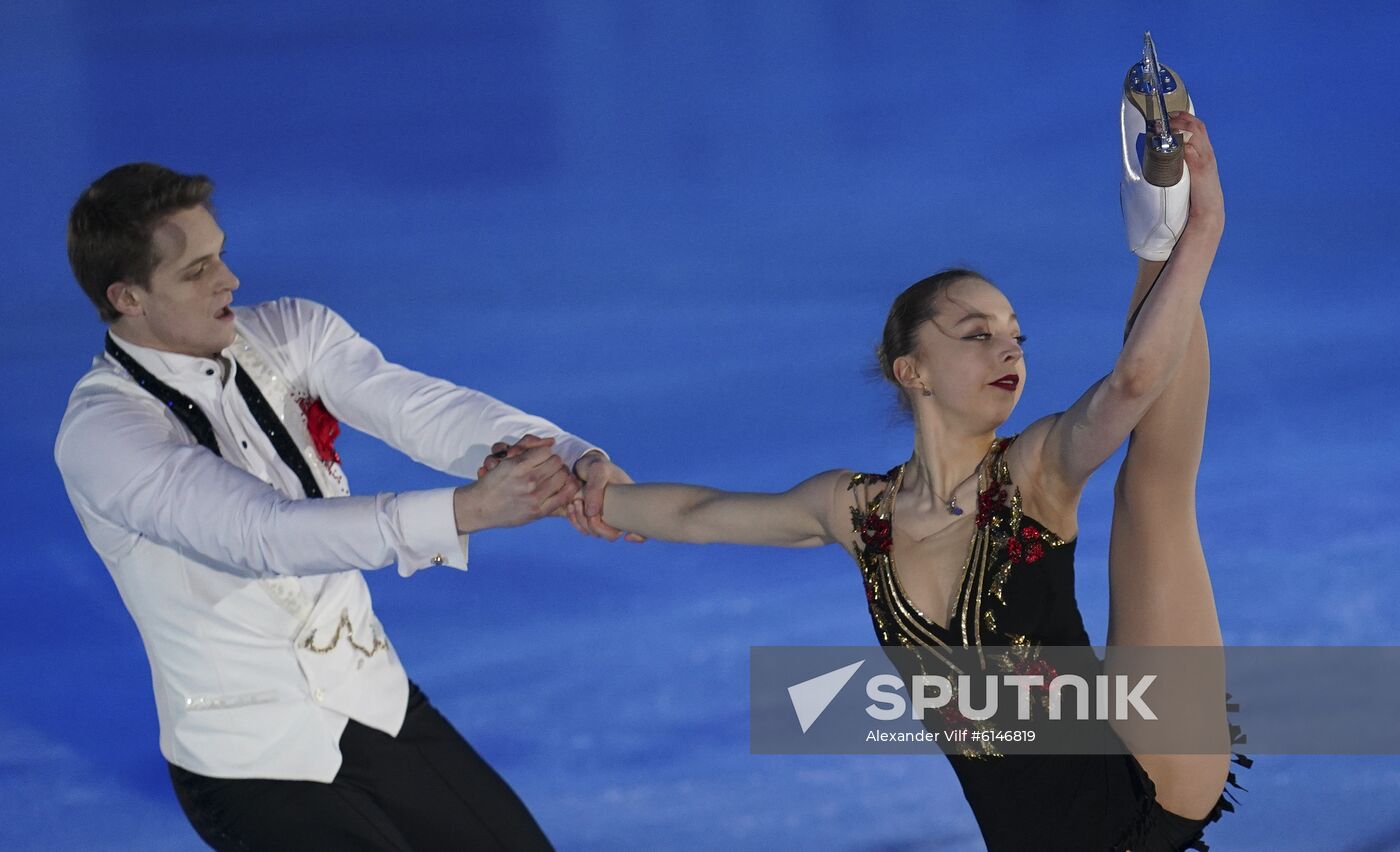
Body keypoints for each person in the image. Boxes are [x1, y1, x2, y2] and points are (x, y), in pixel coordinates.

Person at [552, 72, 1245, 850]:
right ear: (910, 371)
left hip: (1149, 780)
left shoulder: (1035, 471)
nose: (1008, 346)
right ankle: (1166, 229)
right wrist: (600, 499)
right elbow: (699, 515)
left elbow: (1134, 381)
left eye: (1015, 333)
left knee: (1152, 489)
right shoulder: (856, 511)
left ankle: (1162, 227)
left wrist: (1207, 226)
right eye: (975, 333)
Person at [53, 162, 633, 851]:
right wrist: (469, 511)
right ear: (128, 298)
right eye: (196, 270)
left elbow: (423, 410)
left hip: (376, 704)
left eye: (223, 254)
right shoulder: (103, 434)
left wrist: (565, 455)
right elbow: (263, 534)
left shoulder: (291, 333)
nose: (229, 281)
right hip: (249, 761)